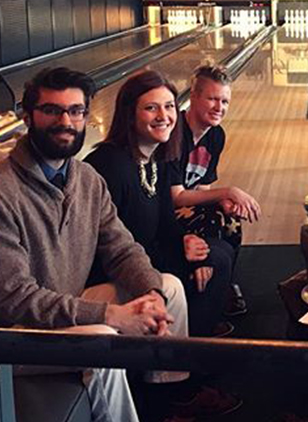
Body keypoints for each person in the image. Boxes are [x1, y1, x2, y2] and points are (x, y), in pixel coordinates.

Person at [0, 67, 189, 422]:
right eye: (52, 110)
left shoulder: (86, 179)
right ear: (27, 117)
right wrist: (110, 315)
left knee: (169, 288)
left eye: (75, 111)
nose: (65, 122)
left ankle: (166, 403)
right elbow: (16, 299)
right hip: (14, 336)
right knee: (101, 338)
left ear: (87, 116)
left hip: (63, 309)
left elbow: (122, 249)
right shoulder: (5, 191)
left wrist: (151, 294)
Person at [85, 71, 236, 339]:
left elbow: (167, 223)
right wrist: (182, 258)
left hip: (146, 255)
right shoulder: (110, 166)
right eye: (151, 108)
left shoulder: (157, 162)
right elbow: (111, 248)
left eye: (169, 106)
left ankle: (197, 341)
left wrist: (185, 241)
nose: (163, 116)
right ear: (130, 114)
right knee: (208, 262)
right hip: (115, 270)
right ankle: (194, 346)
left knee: (214, 256)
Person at [170, 65, 261, 315]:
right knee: (217, 215)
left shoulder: (215, 135)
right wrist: (227, 192)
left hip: (187, 206)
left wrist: (223, 202)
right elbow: (176, 197)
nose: (219, 107)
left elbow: (203, 189)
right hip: (165, 212)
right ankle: (203, 283)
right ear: (194, 97)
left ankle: (224, 284)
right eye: (212, 99)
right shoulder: (175, 133)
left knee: (230, 219)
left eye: (224, 101)